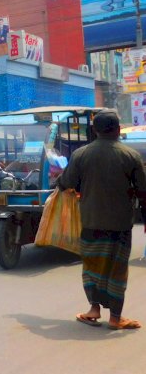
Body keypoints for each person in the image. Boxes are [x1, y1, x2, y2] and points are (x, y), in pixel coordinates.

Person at [58, 111, 145, 330]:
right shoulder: (130, 156)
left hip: (91, 222)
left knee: (92, 267)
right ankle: (115, 317)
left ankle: (94, 309)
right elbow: (143, 191)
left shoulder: (80, 154)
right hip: (120, 225)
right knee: (117, 270)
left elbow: (67, 181)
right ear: (117, 130)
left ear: (95, 130)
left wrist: (60, 184)